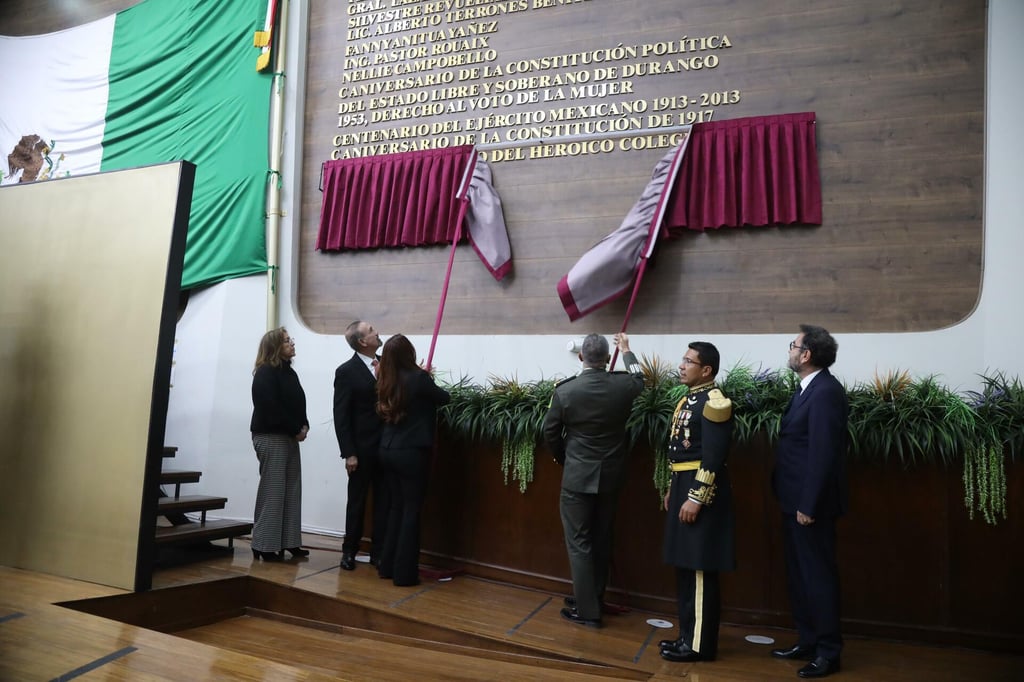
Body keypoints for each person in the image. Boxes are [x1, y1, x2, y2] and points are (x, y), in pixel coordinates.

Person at [542, 332, 645, 628]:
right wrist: (626, 351)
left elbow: (550, 432)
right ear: (605, 358)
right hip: (612, 475)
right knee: (601, 539)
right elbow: (640, 380)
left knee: (579, 543)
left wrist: (564, 459)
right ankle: (592, 596)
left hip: (577, 476)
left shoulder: (566, 392)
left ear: (581, 357)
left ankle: (588, 610)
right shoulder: (624, 385)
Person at [771, 324, 849, 679]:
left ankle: (828, 652)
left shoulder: (826, 392)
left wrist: (809, 504)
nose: (789, 350)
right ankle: (807, 639)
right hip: (792, 500)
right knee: (799, 575)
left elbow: (823, 454)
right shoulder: (809, 389)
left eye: (793, 345)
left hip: (809, 506)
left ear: (806, 354)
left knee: (817, 577)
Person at [659, 341, 736, 663]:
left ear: (706, 370)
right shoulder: (690, 398)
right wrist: (673, 489)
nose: (682, 365)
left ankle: (700, 646)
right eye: (683, 359)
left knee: (701, 570)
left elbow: (714, 457)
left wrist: (695, 498)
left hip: (702, 492)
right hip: (683, 485)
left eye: (689, 361)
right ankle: (686, 637)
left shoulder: (714, 402)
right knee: (687, 567)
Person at [375, 334, 450, 586]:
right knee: (410, 511)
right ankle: (404, 574)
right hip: (410, 452)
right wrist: (426, 375)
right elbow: (444, 398)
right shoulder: (418, 378)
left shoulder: (385, 378)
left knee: (396, 508)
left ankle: (387, 565)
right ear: (410, 354)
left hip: (386, 449)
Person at [249, 327, 310, 561]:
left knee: (292, 490)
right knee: (273, 491)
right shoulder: (265, 372)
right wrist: (296, 429)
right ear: (275, 347)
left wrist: (304, 425)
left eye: (290, 340)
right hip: (271, 436)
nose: (292, 343)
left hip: (289, 436)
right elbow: (270, 408)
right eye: (286, 341)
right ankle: (263, 545)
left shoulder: (289, 372)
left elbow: (297, 404)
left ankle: (289, 542)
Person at [333, 320, 389, 571]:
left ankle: (378, 552)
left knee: (383, 501)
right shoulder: (346, 371)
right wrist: (349, 453)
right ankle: (349, 552)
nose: (377, 332)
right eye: (371, 331)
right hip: (362, 450)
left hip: (388, 447)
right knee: (356, 502)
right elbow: (341, 415)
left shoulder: (388, 365)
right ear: (362, 342)